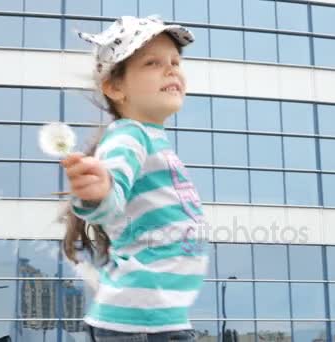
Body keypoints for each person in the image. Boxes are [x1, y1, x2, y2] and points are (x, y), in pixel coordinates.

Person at [59, 15, 208, 342]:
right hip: (141, 322)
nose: (171, 69)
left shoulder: (154, 142)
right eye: (153, 62)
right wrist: (98, 193)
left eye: (175, 61)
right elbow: (109, 204)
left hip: (156, 318)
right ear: (115, 87)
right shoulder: (129, 137)